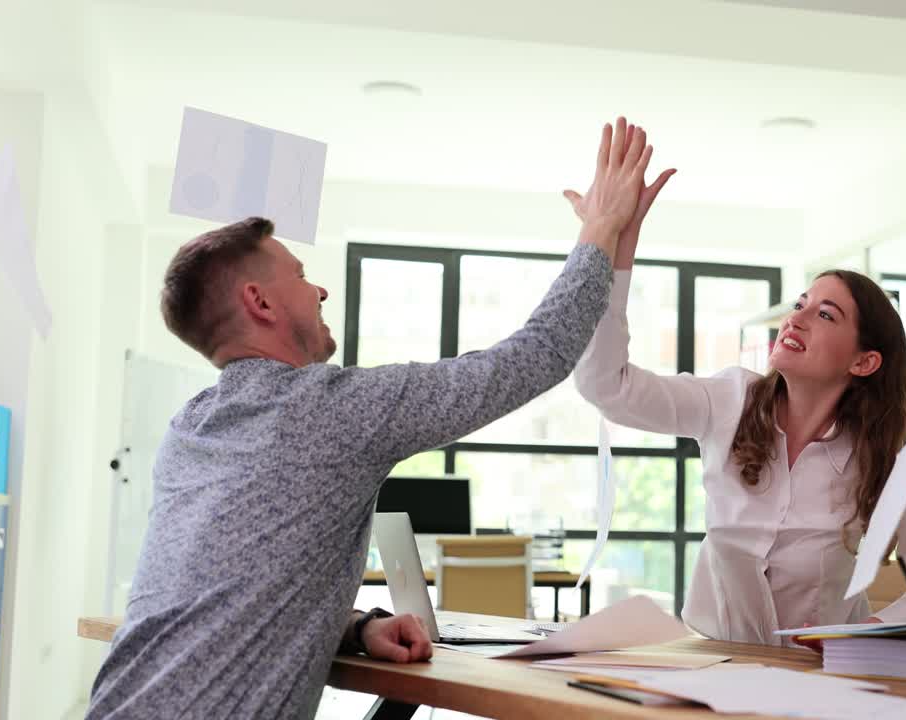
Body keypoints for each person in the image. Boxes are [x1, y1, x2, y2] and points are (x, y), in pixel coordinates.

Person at [87, 117, 655, 719]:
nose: (321, 293)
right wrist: (601, 229)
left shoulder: (188, 430)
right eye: (302, 278)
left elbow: (236, 589)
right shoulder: (324, 411)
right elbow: (529, 359)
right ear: (260, 302)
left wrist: (355, 628)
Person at [567, 173, 906, 647]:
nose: (795, 318)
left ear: (864, 361)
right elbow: (605, 386)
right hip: (714, 662)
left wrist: (866, 632)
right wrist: (613, 246)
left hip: (820, 682)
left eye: (825, 314)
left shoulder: (882, 463)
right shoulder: (727, 401)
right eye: (801, 304)